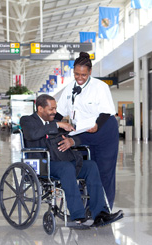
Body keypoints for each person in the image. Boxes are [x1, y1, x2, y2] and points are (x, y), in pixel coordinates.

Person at [20, 94, 123, 229]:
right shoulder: (27, 120)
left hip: (62, 160)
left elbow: (74, 136)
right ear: (40, 108)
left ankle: (99, 213)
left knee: (91, 166)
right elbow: (32, 134)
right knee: (67, 168)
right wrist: (56, 124)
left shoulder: (57, 124)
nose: (55, 112)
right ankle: (78, 215)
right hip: (44, 164)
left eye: (55, 108)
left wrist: (71, 141)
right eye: (51, 109)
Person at [55, 52, 119, 209]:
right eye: (76, 74)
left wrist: (97, 125)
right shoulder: (69, 88)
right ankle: (86, 206)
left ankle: (105, 210)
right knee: (82, 168)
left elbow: (106, 112)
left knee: (104, 171)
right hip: (82, 132)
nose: (79, 77)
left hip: (103, 130)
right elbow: (59, 112)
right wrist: (49, 125)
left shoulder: (100, 87)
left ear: (90, 72)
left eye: (83, 74)